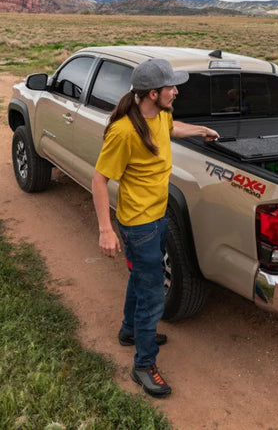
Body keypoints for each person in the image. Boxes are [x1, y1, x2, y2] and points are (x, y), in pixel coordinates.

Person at [92, 58, 218, 398]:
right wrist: (105, 229)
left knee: (140, 279)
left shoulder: (160, 114)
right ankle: (143, 365)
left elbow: (172, 129)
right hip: (138, 226)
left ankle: (129, 331)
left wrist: (201, 130)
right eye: (171, 88)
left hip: (157, 217)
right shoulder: (124, 131)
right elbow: (100, 180)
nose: (176, 91)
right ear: (151, 93)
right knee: (151, 295)